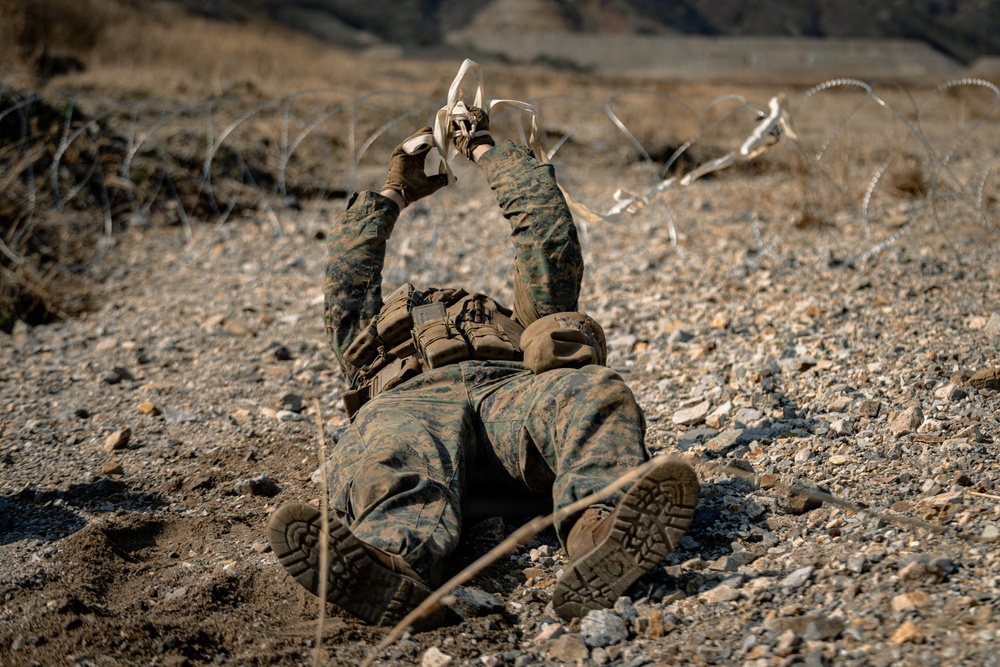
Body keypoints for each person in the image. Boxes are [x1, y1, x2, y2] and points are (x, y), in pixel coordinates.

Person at [266, 107, 699, 625]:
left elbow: (545, 231)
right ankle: (389, 565)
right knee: (390, 449)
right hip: (410, 402)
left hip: (510, 397)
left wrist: (483, 147)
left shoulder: (523, 319)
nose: (442, 300)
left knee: (592, 391)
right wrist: (393, 192)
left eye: (458, 302)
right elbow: (348, 265)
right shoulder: (367, 340)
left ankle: (602, 532)